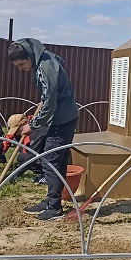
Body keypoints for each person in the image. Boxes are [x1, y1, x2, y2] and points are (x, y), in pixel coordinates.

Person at [8, 38, 78, 221]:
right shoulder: (45, 58)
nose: (21, 69)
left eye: (22, 64)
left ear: (29, 56)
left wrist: (32, 125)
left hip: (61, 119)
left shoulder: (45, 67)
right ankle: (51, 201)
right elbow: (60, 64)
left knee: (50, 160)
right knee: (56, 159)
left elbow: (50, 104)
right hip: (62, 115)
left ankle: (54, 208)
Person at [4, 113, 46, 184]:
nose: (17, 133)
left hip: (52, 160)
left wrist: (15, 175)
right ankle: (44, 173)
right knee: (21, 157)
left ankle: (47, 176)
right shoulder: (32, 131)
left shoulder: (37, 132)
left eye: (17, 130)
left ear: (24, 124)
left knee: (29, 158)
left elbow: (32, 158)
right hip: (44, 156)